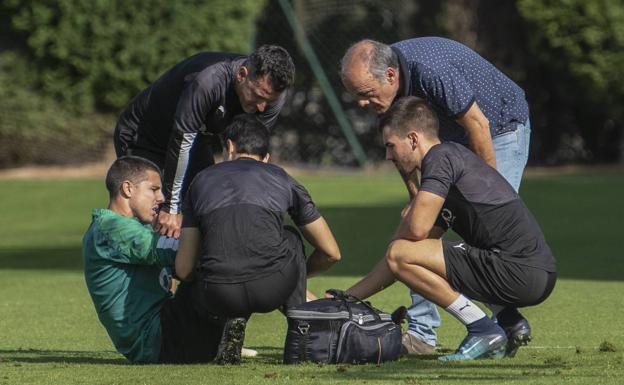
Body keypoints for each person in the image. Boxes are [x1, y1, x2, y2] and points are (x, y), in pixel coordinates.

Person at [340, 37, 532, 353]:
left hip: (499, 128)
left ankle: (502, 324)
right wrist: (417, 198)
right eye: (356, 95)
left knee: (487, 233)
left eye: (365, 94)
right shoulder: (384, 91)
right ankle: (425, 335)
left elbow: (478, 125)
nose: (361, 103)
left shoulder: (428, 70)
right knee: (421, 235)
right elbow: (400, 146)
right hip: (449, 147)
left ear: (390, 76)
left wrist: (487, 195)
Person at [175, 114, 341, 364]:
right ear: (266, 159)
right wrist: (294, 277)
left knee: (210, 244)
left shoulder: (200, 181)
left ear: (229, 146)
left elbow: (184, 269)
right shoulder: (282, 178)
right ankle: (300, 333)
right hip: (273, 287)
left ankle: (223, 329)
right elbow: (331, 253)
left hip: (218, 295)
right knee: (291, 238)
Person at [114, 44, 295, 238]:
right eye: (258, 96)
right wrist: (171, 206)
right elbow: (181, 142)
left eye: (269, 101)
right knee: (153, 218)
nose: (262, 108)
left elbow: (249, 154)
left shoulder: (271, 96)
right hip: (145, 137)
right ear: (242, 74)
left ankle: (189, 266)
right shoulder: (208, 81)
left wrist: (246, 208)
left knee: (208, 205)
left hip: (197, 141)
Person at [83, 156, 227, 364]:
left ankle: (229, 335)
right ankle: (232, 333)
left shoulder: (129, 228)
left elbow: (180, 263)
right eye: (154, 189)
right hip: (159, 341)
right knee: (226, 256)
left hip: (165, 336)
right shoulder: (112, 228)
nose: (161, 197)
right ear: (128, 189)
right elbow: (171, 251)